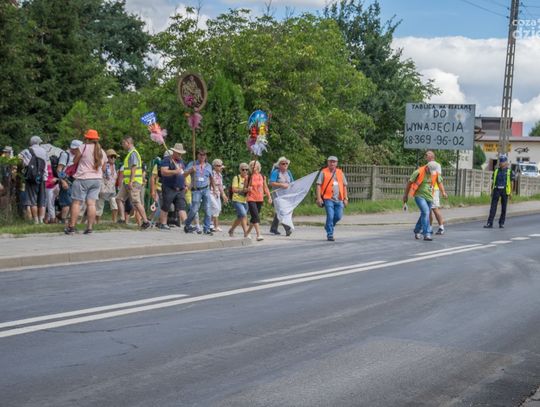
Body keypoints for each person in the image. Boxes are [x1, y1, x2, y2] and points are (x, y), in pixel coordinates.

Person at [64, 129, 107, 234]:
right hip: (97, 180)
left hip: (83, 178)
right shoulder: (101, 151)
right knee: (91, 204)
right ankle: (89, 228)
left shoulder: (83, 147)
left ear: (87, 138)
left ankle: (72, 227)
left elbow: (75, 161)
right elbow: (104, 168)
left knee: (76, 202)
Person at [403, 161, 447, 241]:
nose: (431, 173)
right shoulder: (418, 172)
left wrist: (443, 192)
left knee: (424, 214)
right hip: (419, 196)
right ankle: (427, 234)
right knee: (426, 212)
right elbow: (409, 183)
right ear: (427, 167)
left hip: (429, 197)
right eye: (430, 171)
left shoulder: (435, 173)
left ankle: (417, 230)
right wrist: (405, 195)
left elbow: (439, 182)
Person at [115, 136, 151, 229]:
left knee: (136, 202)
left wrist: (131, 181)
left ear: (128, 143)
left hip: (133, 182)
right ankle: (122, 219)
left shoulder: (133, 153)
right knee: (119, 199)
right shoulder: (130, 153)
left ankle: (146, 221)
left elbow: (134, 168)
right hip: (127, 182)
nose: (123, 145)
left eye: (123, 143)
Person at [316, 156, 349, 242]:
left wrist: (346, 198)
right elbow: (318, 185)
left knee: (338, 216)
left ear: (336, 163)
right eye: (330, 161)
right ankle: (330, 234)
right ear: (328, 162)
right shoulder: (323, 172)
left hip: (339, 199)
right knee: (330, 216)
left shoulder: (340, 172)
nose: (332, 163)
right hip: (328, 198)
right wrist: (319, 198)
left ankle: (328, 226)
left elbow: (344, 186)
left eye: (334, 162)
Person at [183, 148, 214, 235]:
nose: (202, 156)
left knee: (208, 209)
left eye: (204, 155)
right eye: (201, 154)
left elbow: (211, 178)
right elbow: (184, 175)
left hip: (206, 189)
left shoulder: (208, 166)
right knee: (194, 209)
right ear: (197, 155)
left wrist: (214, 188)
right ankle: (187, 224)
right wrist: (190, 171)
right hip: (196, 190)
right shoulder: (192, 164)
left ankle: (206, 229)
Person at [19, 136, 49, 224]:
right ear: (39, 142)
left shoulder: (26, 151)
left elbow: (21, 161)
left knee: (32, 200)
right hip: (42, 177)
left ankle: (35, 220)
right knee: (42, 200)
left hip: (31, 178)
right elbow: (47, 164)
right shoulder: (44, 151)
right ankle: (41, 220)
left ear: (31, 142)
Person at [157, 143, 187, 230]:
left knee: (182, 207)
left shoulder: (181, 161)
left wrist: (184, 184)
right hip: (169, 187)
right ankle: (163, 223)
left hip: (180, 188)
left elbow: (182, 174)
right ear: (174, 152)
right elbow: (163, 172)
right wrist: (174, 171)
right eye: (178, 153)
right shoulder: (167, 160)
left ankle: (187, 225)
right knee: (166, 206)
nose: (180, 155)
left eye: (181, 153)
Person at [484, 155, 514, 229]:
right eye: (500, 161)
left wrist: (511, 192)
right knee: (493, 207)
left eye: (503, 161)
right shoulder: (496, 170)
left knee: (504, 208)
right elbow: (493, 181)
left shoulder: (509, 171)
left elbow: (511, 182)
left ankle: (501, 223)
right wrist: (492, 190)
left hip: (505, 190)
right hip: (496, 190)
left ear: (506, 162)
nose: (501, 163)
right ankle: (489, 223)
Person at [245, 160, 272, 241]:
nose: (253, 166)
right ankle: (258, 235)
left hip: (260, 199)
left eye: (254, 164)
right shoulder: (248, 177)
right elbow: (244, 189)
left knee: (254, 218)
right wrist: (247, 189)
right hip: (251, 198)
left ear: (258, 166)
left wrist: (269, 197)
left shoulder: (262, 176)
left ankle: (247, 233)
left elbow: (265, 187)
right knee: (256, 216)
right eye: (251, 165)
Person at [269, 156, 294, 236]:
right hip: (277, 196)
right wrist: (281, 185)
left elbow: (292, 182)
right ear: (279, 165)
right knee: (282, 211)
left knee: (279, 211)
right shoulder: (276, 172)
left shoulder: (288, 172)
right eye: (283, 163)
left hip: (286, 196)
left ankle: (273, 228)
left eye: (286, 163)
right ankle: (287, 228)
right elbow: (271, 182)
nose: (285, 165)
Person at [425, 151, 446, 235]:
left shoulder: (437, 165)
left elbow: (438, 178)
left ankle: (441, 227)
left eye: (427, 155)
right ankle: (429, 227)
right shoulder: (426, 165)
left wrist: (443, 192)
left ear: (431, 156)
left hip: (434, 189)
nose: (425, 156)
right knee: (428, 209)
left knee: (435, 209)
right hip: (427, 190)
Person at [96, 149, 119, 223]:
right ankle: (97, 222)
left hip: (112, 189)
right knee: (99, 205)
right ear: (107, 157)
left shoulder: (114, 166)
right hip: (103, 189)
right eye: (111, 157)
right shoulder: (104, 165)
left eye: (115, 157)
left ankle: (114, 221)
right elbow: (101, 172)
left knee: (114, 205)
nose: (113, 158)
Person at [228, 163, 250, 237]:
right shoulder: (236, 177)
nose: (245, 171)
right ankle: (246, 233)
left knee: (240, 217)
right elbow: (234, 189)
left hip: (245, 200)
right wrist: (242, 190)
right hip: (237, 200)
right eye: (243, 169)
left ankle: (231, 230)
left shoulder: (249, 178)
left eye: (246, 169)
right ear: (240, 170)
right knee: (243, 214)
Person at [210, 158, 229, 232]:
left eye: (221, 166)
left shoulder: (220, 175)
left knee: (218, 209)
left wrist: (223, 195)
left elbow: (220, 186)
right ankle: (212, 225)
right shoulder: (211, 174)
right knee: (216, 208)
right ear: (214, 166)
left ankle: (215, 226)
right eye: (219, 166)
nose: (221, 168)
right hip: (211, 193)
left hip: (217, 194)